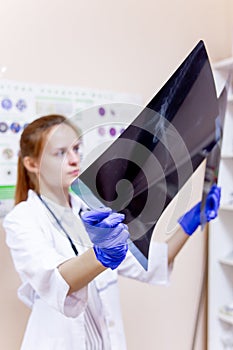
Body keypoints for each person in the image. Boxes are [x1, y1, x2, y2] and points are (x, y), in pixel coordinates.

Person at [3, 114, 221, 350]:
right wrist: (100, 254)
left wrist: (190, 222)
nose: (75, 159)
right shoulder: (22, 219)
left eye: (77, 148)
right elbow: (58, 280)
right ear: (31, 164)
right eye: (61, 153)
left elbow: (152, 262)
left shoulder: (92, 211)